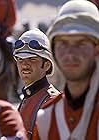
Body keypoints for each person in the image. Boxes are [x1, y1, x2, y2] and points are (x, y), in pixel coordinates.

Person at [33, 0, 99, 140]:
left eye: (81, 43)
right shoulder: (47, 117)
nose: (70, 54)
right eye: (63, 43)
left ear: (96, 49)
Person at [13, 29, 61, 140]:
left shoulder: (51, 101)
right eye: (20, 59)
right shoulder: (27, 96)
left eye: (32, 59)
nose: (24, 64)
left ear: (46, 65)